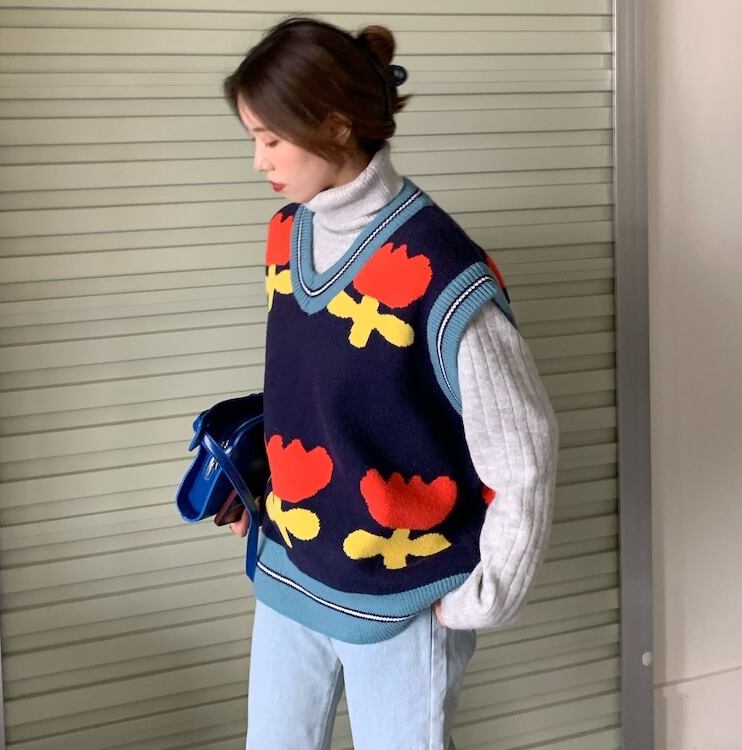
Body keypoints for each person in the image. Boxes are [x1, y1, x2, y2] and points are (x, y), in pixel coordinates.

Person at [221, 16, 559, 750]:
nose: (257, 161)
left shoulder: (442, 270)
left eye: (270, 139)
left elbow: (523, 452)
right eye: (253, 138)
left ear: (336, 126)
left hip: (401, 603)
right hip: (290, 573)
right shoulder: (286, 235)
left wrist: (485, 597)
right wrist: (267, 487)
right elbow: (315, 388)